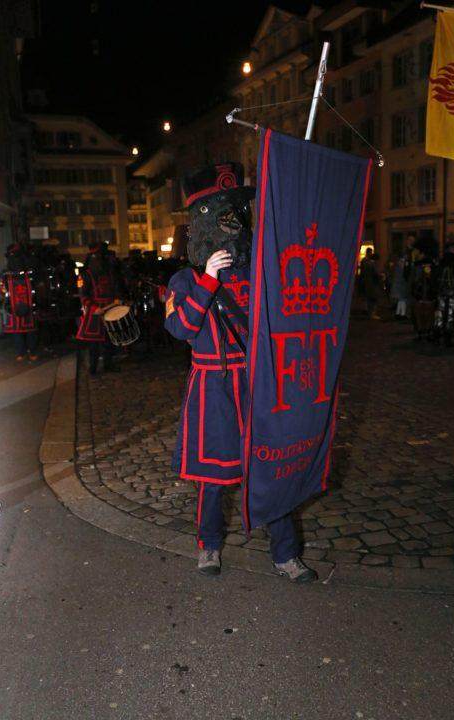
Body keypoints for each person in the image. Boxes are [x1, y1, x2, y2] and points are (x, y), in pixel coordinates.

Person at [164, 162, 317, 583]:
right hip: (212, 388)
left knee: (269, 472)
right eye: (222, 212)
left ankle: (286, 555)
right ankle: (209, 545)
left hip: (257, 383)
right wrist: (208, 280)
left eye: (235, 211)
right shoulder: (184, 280)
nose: (232, 221)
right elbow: (180, 328)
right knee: (213, 477)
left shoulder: (257, 273)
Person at [76, 242, 121, 374]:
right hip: (94, 313)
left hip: (109, 310)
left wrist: (117, 298)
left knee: (109, 340)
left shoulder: (109, 273)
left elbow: (114, 288)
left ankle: (108, 365)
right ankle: (93, 368)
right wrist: (94, 307)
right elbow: (83, 295)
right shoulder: (85, 275)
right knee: (94, 343)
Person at [1, 243, 39, 361]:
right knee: (18, 332)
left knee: (29, 331)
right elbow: (2, 289)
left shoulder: (29, 273)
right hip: (13, 307)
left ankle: (30, 351)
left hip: (28, 306)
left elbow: (36, 288)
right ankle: (22, 352)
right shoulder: (5, 275)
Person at [359, 247, 381, 319]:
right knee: (372, 298)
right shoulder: (370, 263)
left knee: (367, 297)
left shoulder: (364, 261)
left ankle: (367, 311)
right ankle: (371, 313)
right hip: (371, 282)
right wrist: (380, 276)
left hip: (366, 281)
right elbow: (375, 273)